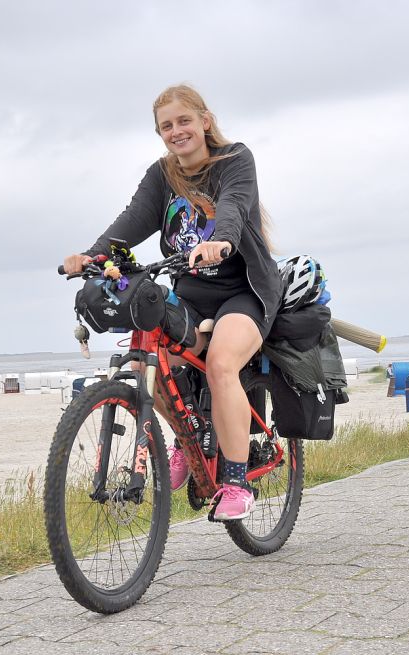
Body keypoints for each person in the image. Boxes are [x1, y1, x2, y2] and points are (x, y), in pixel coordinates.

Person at [63, 84, 281, 520]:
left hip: (245, 291)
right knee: (152, 359)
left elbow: (234, 207)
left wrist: (220, 241)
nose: (176, 131)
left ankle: (236, 482)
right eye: (167, 126)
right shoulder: (162, 175)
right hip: (192, 294)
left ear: (204, 120)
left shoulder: (235, 159)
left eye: (184, 121)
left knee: (221, 362)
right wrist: (92, 256)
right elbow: (130, 223)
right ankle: (188, 439)